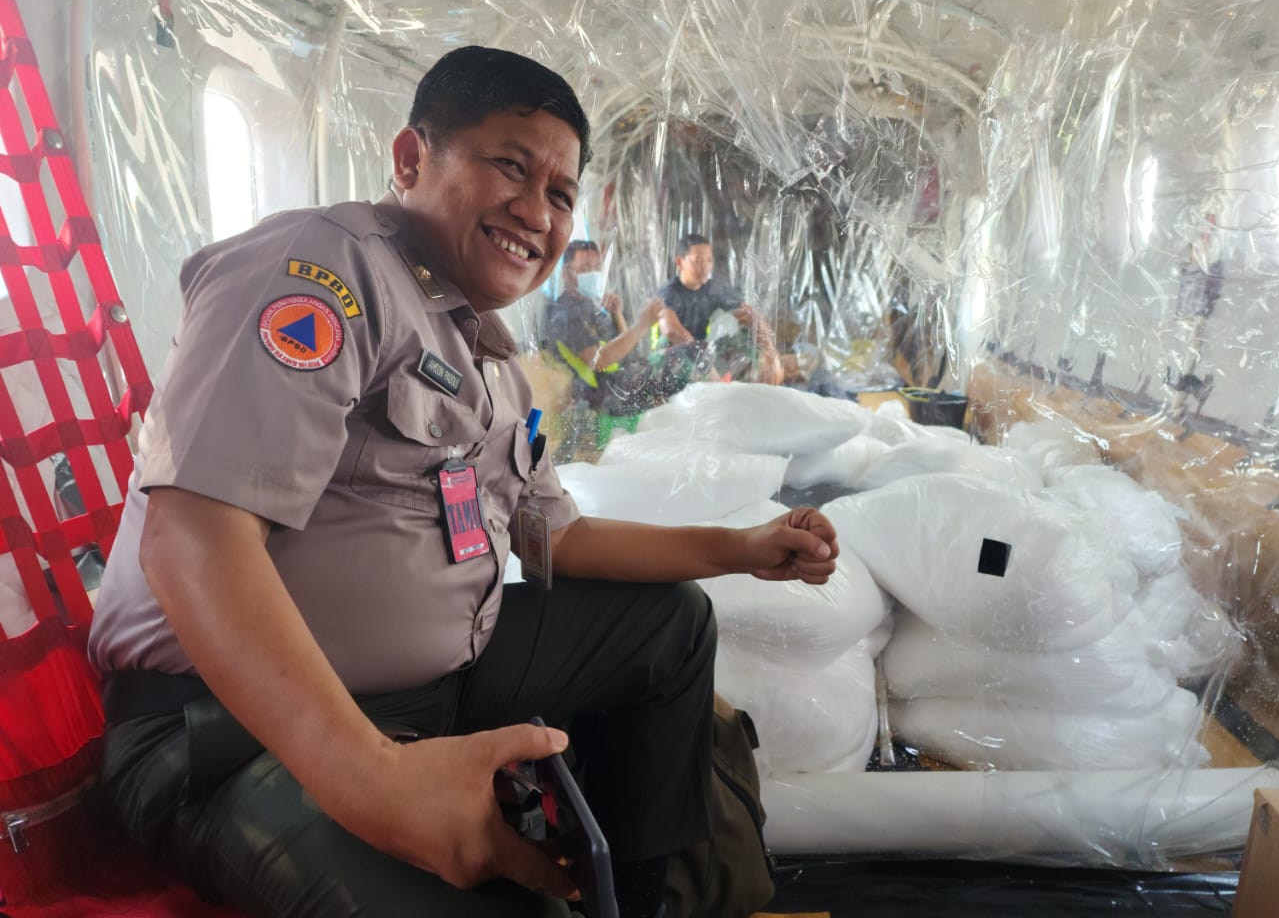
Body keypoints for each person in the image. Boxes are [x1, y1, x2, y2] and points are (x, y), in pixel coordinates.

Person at [87, 45, 839, 918]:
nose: (537, 212)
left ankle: (639, 898)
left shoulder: (488, 361)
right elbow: (195, 537)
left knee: (668, 624)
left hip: (430, 688)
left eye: (561, 194)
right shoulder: (323, 269)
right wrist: (376, 780)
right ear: (412, 158)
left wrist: (741, 548)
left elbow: (560, 538)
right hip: (229, 731)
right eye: (510, 167)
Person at [542, 239, 666, 409]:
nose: (594, 274)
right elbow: (598, 361)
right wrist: (642, 324)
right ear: (566, 273)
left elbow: (628, 352)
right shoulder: (564, 312)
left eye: (597, 268)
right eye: (585, 268)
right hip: (600, 400)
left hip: (622, 384)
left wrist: (617, 315)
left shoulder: (591, 303)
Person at [657, 233, 783, 385]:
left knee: (747, 340)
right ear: (679, 262)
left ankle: (744, 387)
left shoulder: (714, 289)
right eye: (698, 260)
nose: (705, 266)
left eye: (709, 260)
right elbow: (673, 332)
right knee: (679, 354)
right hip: (673, 358)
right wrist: (709, 371)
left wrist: (771, 355)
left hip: (702, 354)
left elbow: (750, 314)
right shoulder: (668, 293)